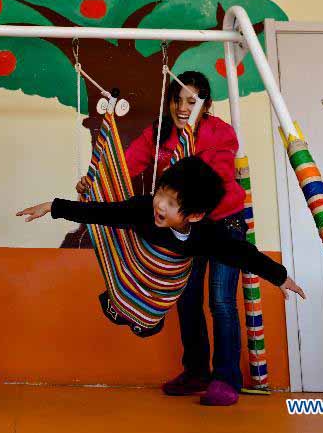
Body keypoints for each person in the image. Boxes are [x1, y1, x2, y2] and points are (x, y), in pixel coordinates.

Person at [74, 78, 282, 405]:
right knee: (186, 298)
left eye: (193, 101)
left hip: (222, 222)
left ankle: (226, 377)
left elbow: (216, 181)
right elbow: (125, 166)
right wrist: (95, 180)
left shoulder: (220, 133)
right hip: (186, 226)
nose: (184, 108)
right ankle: (196, 372)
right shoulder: (160, 132)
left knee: (220, 301)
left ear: (206, 104)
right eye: (179, 100)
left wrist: (183, 168)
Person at [20, 156, 305, 343]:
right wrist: (53, 206)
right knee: (113, 306)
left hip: (164, 288)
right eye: (161, 194)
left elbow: (242, 253)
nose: (160, 205)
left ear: (193, 215)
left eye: (171, 203)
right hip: (134, 270)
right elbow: (102, 212)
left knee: (148, 327)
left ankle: (144, 320)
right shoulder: (143, 209)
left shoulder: (205, 234)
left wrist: (279, 276)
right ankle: (118, 303)